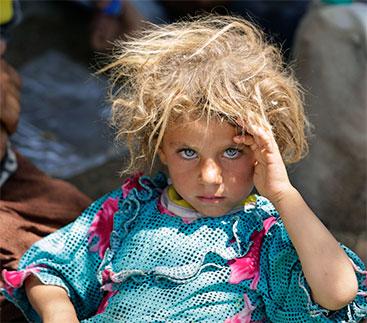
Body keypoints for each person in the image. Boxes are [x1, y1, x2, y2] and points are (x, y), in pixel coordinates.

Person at [1, 15, 366, 322]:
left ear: (264, 152)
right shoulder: (131, 209)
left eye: (232, 153)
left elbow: (338, 292)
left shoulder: (268, 234)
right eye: (189, 152)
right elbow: (50, 268)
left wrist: (284, 194)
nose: (210, 176)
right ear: (162, 147)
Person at [0, 1, 91, 321]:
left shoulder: (3, 79)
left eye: (4, 33)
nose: (1, 44)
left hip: (10, 175)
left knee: (83, 219)